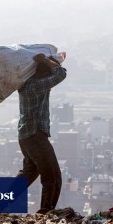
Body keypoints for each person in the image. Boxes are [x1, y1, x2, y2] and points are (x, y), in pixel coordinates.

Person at [16, 52, 67, 214]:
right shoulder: (36, 86)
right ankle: (46, 212)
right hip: (35, 136)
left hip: (27, 136)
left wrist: (49, 61)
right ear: (43, 71)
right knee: (52, 176)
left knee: (29, 173)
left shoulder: (29, 84)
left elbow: (56, 71)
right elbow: (61, 73)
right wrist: (45, 60)